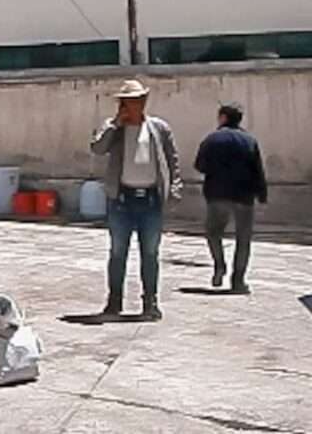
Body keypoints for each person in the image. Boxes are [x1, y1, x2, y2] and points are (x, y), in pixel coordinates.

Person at [90, 80, 182, 320]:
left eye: (137, 101)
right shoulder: (113, 128)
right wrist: (115, 125)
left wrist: (174, 187)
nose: (133, 106)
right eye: (128, 102)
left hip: (150, 200)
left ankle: (150, 301)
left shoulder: (158, 128)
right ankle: (114, 300)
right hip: (122, 200)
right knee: (118, 251)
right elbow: (98, 148)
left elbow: (172, 160)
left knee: (150, 252)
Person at [194, 102, 267, 294]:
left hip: (217, 194)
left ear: (223, 117)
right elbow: (257, 169)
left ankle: (219, 264)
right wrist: (262, 193)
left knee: (213, 233)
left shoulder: (211, 139)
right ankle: (238, 281)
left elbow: (199, 165)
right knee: (243, 239)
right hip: (244, 196)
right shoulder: (249, 140)